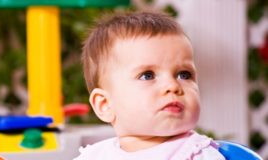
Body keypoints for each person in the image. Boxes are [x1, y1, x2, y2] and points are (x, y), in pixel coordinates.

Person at [75, 11, 225, 160]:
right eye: (148, 75)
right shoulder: (95, 156)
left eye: (184, 75)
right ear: (105, 104)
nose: (172, 86)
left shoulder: (196, 154)